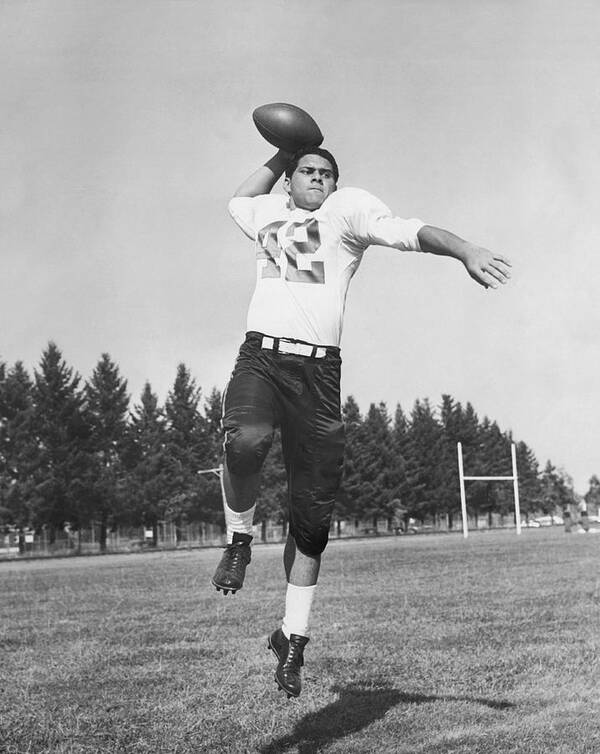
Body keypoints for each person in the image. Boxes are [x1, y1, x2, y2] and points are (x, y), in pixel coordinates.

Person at [212, 143, 511, 698]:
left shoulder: (346, 212)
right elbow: (240, 197)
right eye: (308, 171)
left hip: (320, 376)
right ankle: (238, 539)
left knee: (313, 523)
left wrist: (464, 248)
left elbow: (411, 231)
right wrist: (284, 149)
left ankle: (292, 639)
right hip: (261, 357)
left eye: (326, 173)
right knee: (245, 439)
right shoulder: (266, 213)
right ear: (289, 180)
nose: (318, 180)